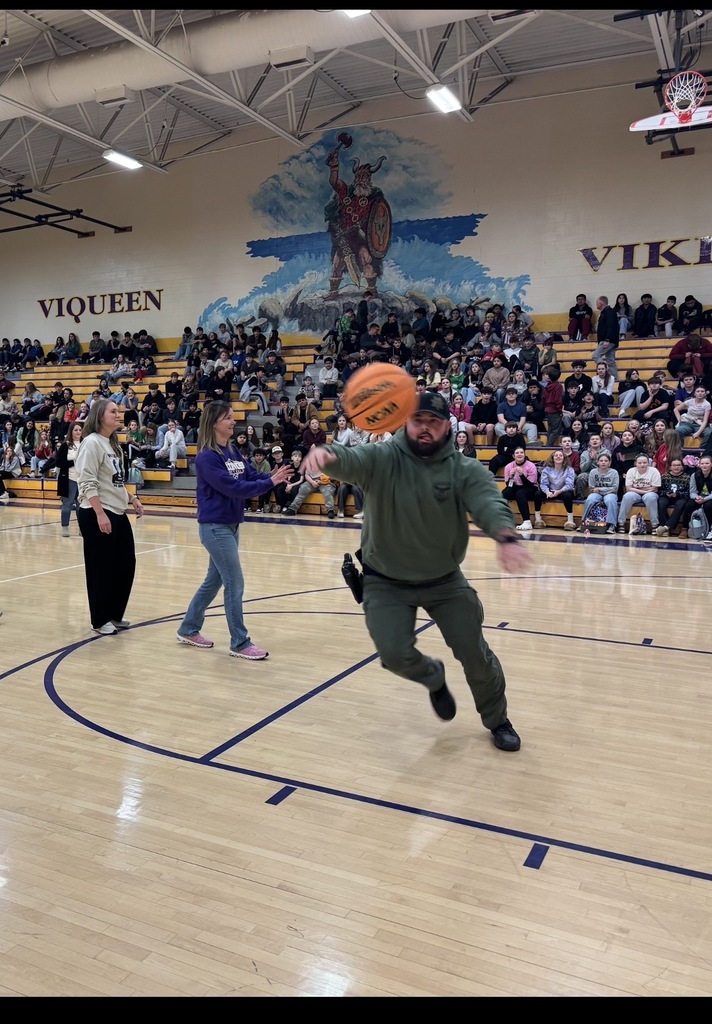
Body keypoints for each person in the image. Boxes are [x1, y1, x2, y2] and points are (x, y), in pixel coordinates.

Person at [300, 390, 530, 751]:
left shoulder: (462, 467)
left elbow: (488, 499)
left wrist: (505, 535)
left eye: (433, 423)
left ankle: (497, 718)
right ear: (405, 421)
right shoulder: (383, 457)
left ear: (446, 427)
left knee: (475, 654)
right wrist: (326, 455)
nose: (425, 429)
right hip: (385, 580)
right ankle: (433, 677)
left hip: (444, 580)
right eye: (418, 421)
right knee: (393, 655)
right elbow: (350, 459)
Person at [177, 401, 291, 656]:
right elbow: (234, 488)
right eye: (228, 418)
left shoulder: (231, 452)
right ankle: (240, 642)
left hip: (231, 524)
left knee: (213, 581)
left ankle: (188, 627)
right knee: (235, 583)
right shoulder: (207, 457)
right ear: (214, 422)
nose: (233, 421)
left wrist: (274, 476)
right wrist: (270, 481)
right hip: (215, 527)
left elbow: (250, 476)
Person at [75, 400, 144, 635]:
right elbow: (87, 481)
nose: (119, 414)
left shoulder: (114, 445)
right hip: (97, 512)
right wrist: (99, 513)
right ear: (100, 416)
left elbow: (115, 481)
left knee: (125, 564)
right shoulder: (91, 443)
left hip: (116, 510)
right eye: (113, 411)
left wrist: (131, 498)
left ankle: (114, 613)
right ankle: (99, 619)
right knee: (100, 568)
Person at [617, 454, 661, 533]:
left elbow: (655, 488)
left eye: (645, 462)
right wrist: (644, 491)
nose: (642, 464)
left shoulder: (654, 471)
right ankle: (621, 523)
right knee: (627, 496)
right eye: (640, 463)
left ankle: (654, 524)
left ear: (648, 463)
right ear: (635, 463)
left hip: (650, 493)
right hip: (638, 493)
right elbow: (628, 488)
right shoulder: (631, 471)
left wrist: (636, 488)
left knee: (650, 498)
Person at [580, 452, 619, 534]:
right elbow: (592, 488)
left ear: (609, 462)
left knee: (610, 500)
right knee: (590, 499)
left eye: (606, 461)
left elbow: (615, 488)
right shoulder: (593, 472)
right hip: (597, 493)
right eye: (601, 461)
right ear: (597, 462)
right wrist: (598, 490)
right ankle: (583, 522)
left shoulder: (614, 472)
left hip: (610, 493)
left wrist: (600, 489)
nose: (603, 462)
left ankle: (612, 525)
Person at [56, 421, 84, 537]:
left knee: (81, 506)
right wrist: (73, 462)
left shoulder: (85, 443)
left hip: (83, 480)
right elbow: (59, 462)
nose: (78, 432)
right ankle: (65, 527)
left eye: (80, 430)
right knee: (67, 505)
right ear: (71, 431)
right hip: (69, 479)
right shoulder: (65, 445)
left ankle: (82, 528)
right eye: (75, 430)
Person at [502, 446, 539, 531]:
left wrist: (522, 475)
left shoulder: (531, 465)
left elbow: (530, 484)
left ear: (524, 454)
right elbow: (509, 486)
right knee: (504, 493)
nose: (519, 454)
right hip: (515, 487)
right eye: (517, 453)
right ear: (513, 456)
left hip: (531, 487)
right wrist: (511, 477)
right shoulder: (508, 466)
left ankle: (527, 521)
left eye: (521, 452)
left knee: (520, 493)